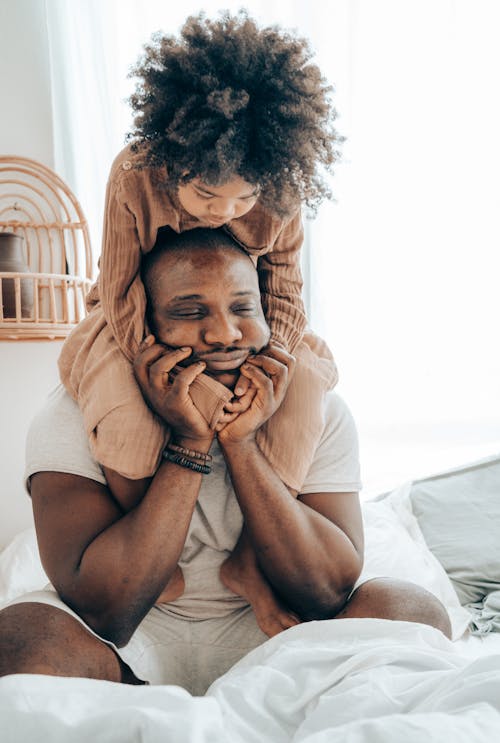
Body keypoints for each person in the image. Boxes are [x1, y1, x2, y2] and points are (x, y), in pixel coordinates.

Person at [0, 229, 451, 696]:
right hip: (127, 644)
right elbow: (105, 609)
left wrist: (242, 443)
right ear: (145, 323)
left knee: (412, 609)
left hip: (281, 637)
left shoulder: (319, 411)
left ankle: (269, 699)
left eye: (243, 308)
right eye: (190, 312)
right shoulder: (72, 415)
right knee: (18, 637)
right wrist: (190, 441)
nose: (225, 334)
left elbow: (326, 592)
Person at [58, 11, 342, 635]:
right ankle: (156, 550)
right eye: (209, 200)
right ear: (176, 161)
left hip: (250, 323)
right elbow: (121, 287)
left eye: (244, 199)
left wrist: (271, 362)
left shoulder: (279, 188)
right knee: (125, 410)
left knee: (305, 392)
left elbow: (286, 296)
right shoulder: (136, 173)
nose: (231, 212)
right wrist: (182, 376)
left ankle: (252, 561)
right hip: (136, 318)